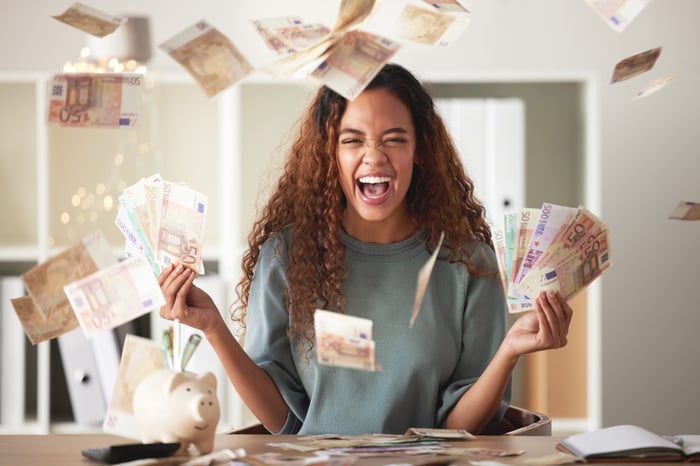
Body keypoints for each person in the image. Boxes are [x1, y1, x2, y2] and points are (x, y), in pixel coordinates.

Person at [158, 63, 573, 435]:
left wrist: (510, 352)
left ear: (421, 151)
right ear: (329, 154)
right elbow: (282, 421)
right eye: (352, 140)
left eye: (394, 139)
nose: (374, 157)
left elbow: (458, 428)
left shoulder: (469, 263)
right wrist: (213, 326)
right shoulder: (285, 256)